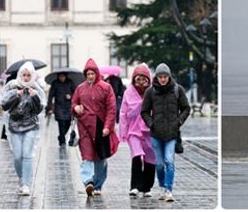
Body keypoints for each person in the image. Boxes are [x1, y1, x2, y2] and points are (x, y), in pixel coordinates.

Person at [141, 63, 190, 202]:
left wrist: (178, 122)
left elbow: (186, 108)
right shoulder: (150, 92)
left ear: (169, 76)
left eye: (165, 76)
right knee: (160, 164)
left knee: (169, 161)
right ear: (156, 77)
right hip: (156, 134)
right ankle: (162, 187)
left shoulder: (177, 90)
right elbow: (144, 111)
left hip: (171, 134)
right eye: (160, 77)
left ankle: (168, 190)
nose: (163, 79)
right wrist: (151, 123)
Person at [72, 58, 118, 198]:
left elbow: (111, 109)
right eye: (88, 74)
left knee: (100, 158)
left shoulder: (106, 87)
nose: (90, 76)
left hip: (100, 127)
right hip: (84, 126)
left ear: (96, 73)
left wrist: (108, 127)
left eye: (92, 73)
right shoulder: (80, 88)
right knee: (87, 156)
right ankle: (88, 182)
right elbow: (74, 104)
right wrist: (76, 108)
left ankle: (98, 185)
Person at [1, 62, 46, 196]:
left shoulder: (35, 88)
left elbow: (39, 110)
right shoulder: (12, 86)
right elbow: (4, 106)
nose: (26, 78)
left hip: (31, 126)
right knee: (17, 156)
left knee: (27, 154)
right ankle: (21, 178)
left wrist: (35, 97)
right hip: (15, 126)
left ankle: (26, 183)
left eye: (28, 75)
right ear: (20, 75)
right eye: (24, 75)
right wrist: (17, 95)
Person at [119, 63, 155, 198]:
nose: (141, 82)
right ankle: (135, 186)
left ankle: (147, 187)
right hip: (133, 131)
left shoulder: (152, 92)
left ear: (148, 80)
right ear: (134, 79)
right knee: (136, 156)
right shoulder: (128, 93)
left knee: (150, 159)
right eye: (138, 79)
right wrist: (123, 132)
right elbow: (123, 113)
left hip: (149, 131)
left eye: (144, 79)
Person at [46, 72, 77, 147]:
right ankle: (62, 142)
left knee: (68, 123)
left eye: (63, 76)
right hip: (59, 107)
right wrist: (49, 107)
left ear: (66, 76)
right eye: (60, 76)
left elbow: (76, 93)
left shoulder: (70, 82)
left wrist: (71, 96)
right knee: (61, 124)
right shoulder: (55, 83)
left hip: (69, 107)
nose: (61, 78)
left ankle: (61, 136)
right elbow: (50, 96)